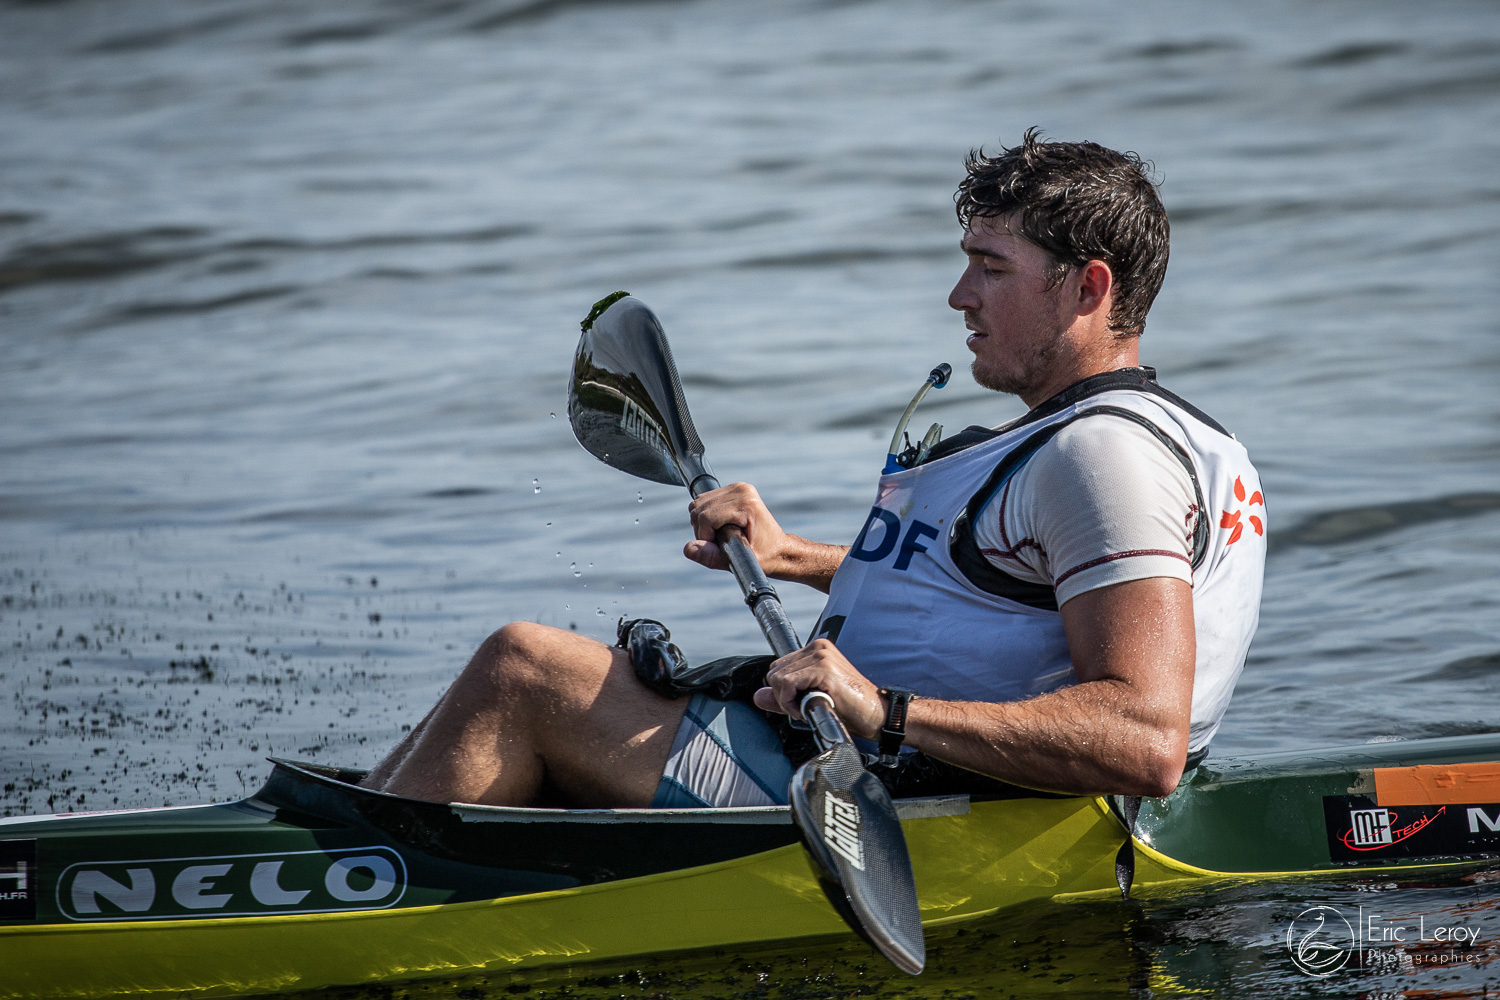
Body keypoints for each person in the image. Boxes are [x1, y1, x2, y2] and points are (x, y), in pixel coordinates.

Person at [360, 130, 1265, 808]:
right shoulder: (1122, 439)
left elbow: (1147, 740)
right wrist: (793, 555)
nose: (960, 296)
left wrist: (885, 708)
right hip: (863, 751)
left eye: (990, 268)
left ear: (1088, 288)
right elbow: (1010, 583)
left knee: (525, 670)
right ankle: (330, 832)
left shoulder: (1105, 455)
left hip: (894, 797)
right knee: (520, 678)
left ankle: (341, 889)